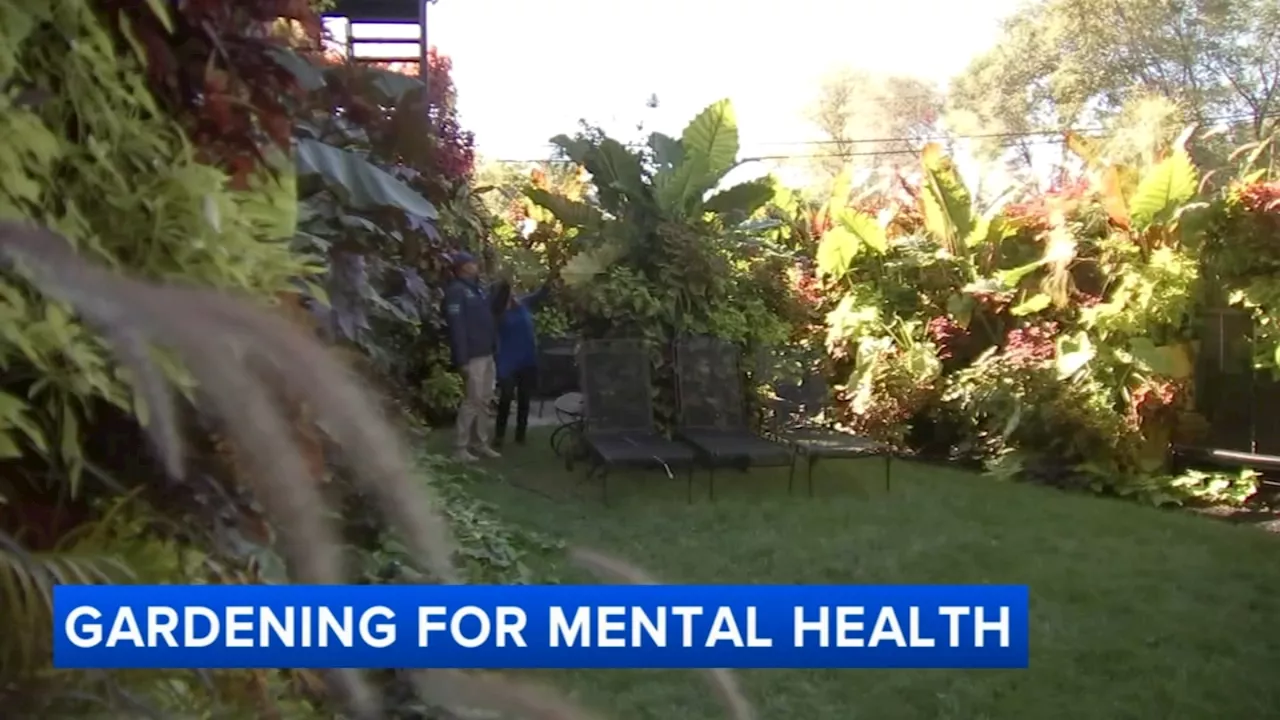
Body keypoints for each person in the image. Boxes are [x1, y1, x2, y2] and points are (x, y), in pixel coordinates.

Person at [442, 251, 501, 462]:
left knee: (485, 400)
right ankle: (460, 448)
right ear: (463, 267)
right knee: (472, 400)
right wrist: (462, 359)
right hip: (473, 356)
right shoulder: (456, 291)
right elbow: (457, 327)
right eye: (472, 263)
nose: (476, 265)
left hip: (486, 353)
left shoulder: (477, 290)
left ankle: (480, 443)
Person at [490, 277, 552, 447]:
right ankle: (499, 435)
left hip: (527, 359)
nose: (514, 293)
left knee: (525, 397)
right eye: (510, 291)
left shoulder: (523, 304)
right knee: (506, 397)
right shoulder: (499, 313)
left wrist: (550, 282)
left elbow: (539, 295)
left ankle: (520, 435)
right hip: (508, 360)